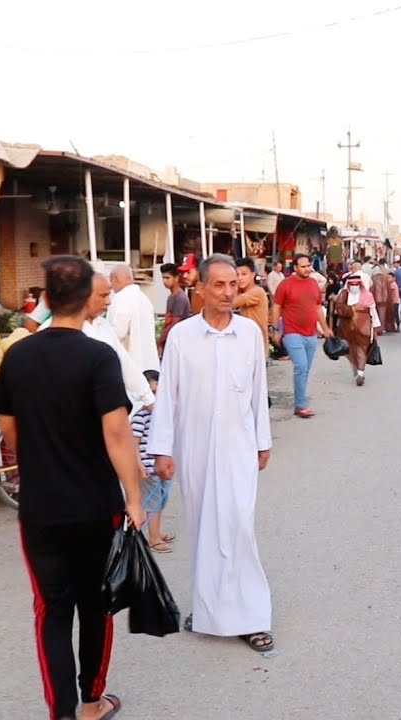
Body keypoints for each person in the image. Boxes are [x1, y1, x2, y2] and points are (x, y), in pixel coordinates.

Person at [0, 255, 144, 720]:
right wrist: (135, 498)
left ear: (45, 299)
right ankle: (92, 702)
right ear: (87, 302)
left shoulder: (18, 354)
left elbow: (7, 426)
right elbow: (118, 435)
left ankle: (60, 713)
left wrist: (40, 454)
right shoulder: (98, 357)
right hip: (97, 507)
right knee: (95, 607)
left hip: (41, 510)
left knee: (51, 612)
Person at [149, 254, 275, 652]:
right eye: (218, 285)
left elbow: (258, 392)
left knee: (238, 526)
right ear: (199, 289)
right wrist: (162, 449)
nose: (227, 292)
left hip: (239, 445)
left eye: (233, 285)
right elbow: (167, 395)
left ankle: (252, 617)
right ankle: (208, 611)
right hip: (196, 448)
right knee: (205, 529)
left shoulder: (249, 334)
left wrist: (262, 440)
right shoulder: (183, 336)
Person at [78, 275, 156, 415]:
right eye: (103, 296)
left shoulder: (103, 326)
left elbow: (124, 363)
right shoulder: (59, 332)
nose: (108, 302)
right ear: (84, 296)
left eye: (109, 295)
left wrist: (148, 399)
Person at [271, 254, 334, 419]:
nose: (307, 269)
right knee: (301, 367)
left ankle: (300, 401)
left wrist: (326, 328)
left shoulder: (313, 284)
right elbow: (276, 307)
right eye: (304, 266)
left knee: (305, 370)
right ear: (295, 268)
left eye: (308, 266)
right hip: (292, 333)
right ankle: (300, 405)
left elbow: (318, 308)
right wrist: (275, 328)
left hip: (311, 334)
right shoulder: (285, 285)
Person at [132, 370, 173, 554]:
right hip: (148, 467)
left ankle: (156, 531)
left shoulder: (160, 416)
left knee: (160, 500)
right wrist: (139, 465)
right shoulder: (140, 417)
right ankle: (154, 538)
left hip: (161, 467)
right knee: (153, 503)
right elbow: (134, 444)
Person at [107, 265, 161, 374]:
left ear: (115, 279)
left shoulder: (120, 298)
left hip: (130, 366)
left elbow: (117, 333)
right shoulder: (144, 299)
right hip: (149, 364)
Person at [332, 272, 380, 386]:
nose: (354, 286)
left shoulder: (367, 295)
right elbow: (338, 309)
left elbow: (373, 312)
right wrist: (353, 309)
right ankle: (357, 370)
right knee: (350, 351)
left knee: (361, 349)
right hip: (346, 328)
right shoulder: (344, 294)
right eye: (352, 284)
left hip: (363, 327)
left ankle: (361, 373)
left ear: (360, 284)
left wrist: (376, 328)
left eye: (356, 284)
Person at [231, 258, 270, 355]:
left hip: (256, 346)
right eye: (237, 275)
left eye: (244, 274)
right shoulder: (243, 292)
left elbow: (232, 303)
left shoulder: (257, 292)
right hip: (246, 344)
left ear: (253, 275)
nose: (240, 278)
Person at [159, 262, 191, 352]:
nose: (164, 281)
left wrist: (159, 341)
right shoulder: (171, 297)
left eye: (167, 278)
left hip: (177, 343)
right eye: (163, 278)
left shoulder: (180, 298)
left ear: (176, 278)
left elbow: (174, 324)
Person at [372, 262, 395, 333]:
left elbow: (372, 289)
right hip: (385, 299)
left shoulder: (373, 278)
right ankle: (382, 328)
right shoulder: (385, 278)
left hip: (376, 299)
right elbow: (388, 289)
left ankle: (378, 329)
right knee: (383, 314)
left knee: (376, 315)